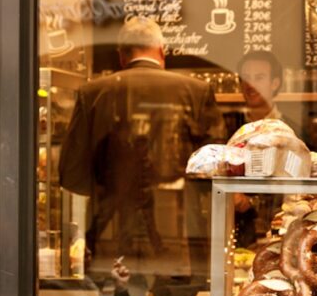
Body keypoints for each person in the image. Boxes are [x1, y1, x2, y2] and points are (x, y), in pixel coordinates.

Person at [60, 16, 224, 279]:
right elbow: (216, 167)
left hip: (110, 236)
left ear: (121, 55)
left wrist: (108, 187)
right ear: (161, 50)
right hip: (181, 238)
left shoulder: (92, 93)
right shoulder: (197, 91)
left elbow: (71, 174)